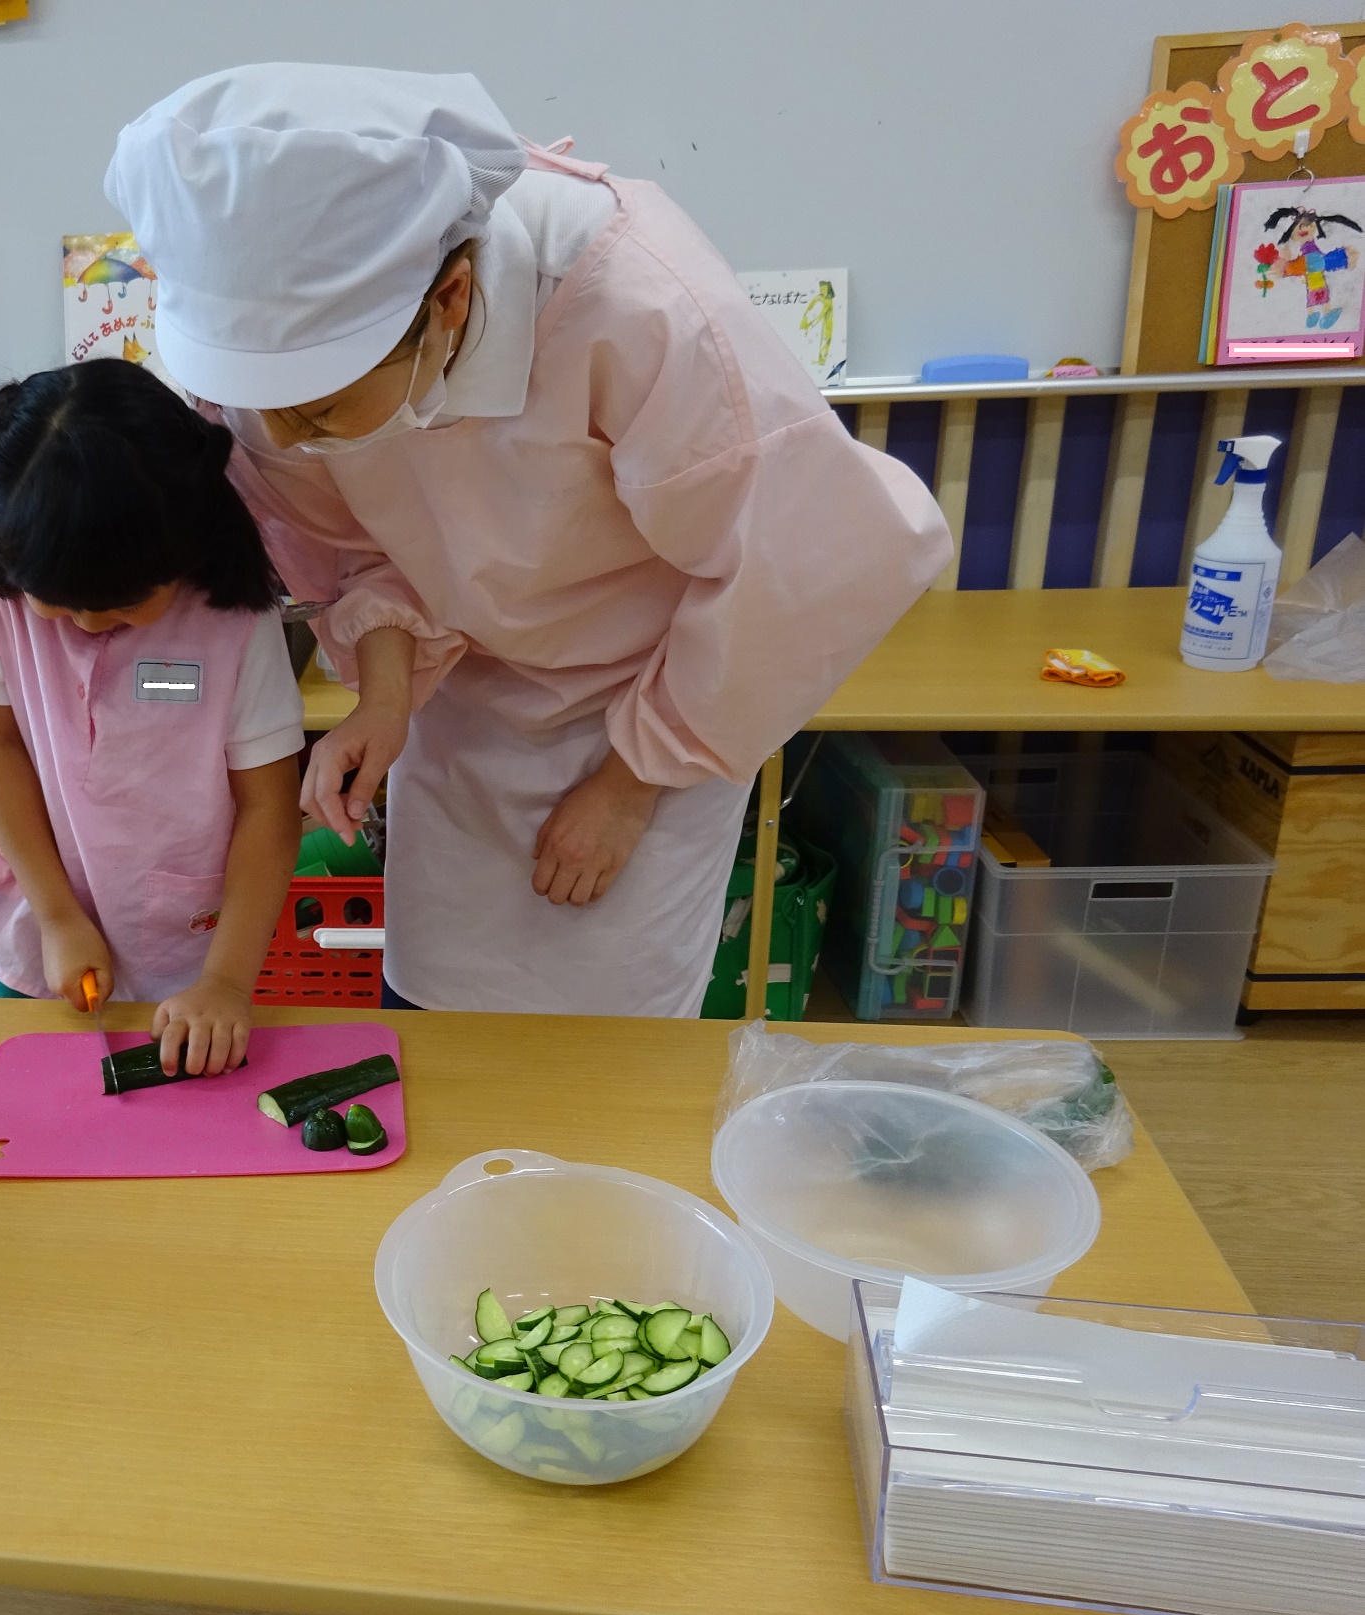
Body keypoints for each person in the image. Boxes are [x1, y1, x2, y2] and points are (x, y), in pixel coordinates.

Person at [105, 65, 950, 1016]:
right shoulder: (278, 382)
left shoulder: (639, 304)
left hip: (664, 693)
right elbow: (364, 549)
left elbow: (794, 567)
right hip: (466, 694)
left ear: (451, 299)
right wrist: (385, 697)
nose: (285, 438)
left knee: (602, 1043)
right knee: (435, 1004)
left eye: (322, 410)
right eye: (264, 409)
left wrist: (631, 784)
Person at [0, 359, 304, 1076]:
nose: (92, 624)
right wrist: (58, 916)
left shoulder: (231, 614)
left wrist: (224, 983)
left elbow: (268, 806)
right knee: (19, 1088)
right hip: (33, 914)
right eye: (61, 606)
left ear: (185, 553)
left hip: (189, 953)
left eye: (125, 604)